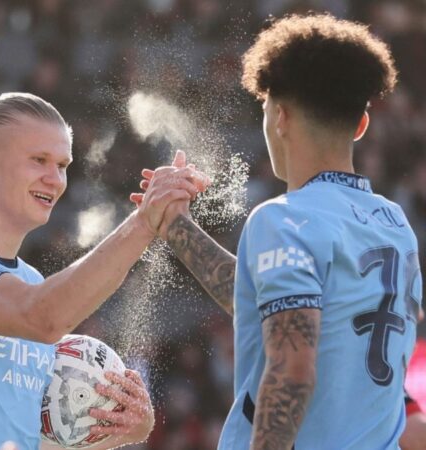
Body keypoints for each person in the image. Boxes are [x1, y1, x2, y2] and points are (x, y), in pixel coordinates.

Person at [136, 13, 421, 450]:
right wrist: (178, 231)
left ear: (281, 117)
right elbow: (270, 302)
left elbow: (292, 367)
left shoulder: (284, 219)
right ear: (361, 126)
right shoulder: (395, 224)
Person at [0, 92, 209, 449]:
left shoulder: (32, 282)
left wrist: (119, 427)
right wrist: (144, 223)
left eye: (63, 165)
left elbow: (31, 436)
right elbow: (40, 317)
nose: (55, 179)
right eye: (39, 160)